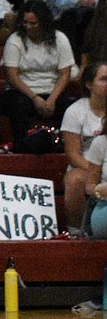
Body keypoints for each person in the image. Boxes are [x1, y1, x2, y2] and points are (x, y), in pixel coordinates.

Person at [0, 0, 79, 152]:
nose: (28, 27)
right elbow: (11, 76)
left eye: (33, 23)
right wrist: (35, 98)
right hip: (22, 92)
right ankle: (22, 147)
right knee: (18, 106)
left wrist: (52, 99)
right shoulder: (15, 40)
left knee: (70, 107)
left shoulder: (60, 38)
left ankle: (68, 148)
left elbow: (65, 74)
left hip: (52, 90)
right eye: (25, 22)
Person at [60, 59, 107, 233]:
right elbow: (73, 155)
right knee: (74, 179)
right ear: (89, 84)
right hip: (85, 166)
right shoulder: (75, 111)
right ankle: (75, 232)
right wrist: (97, 171)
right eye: (104, 79)